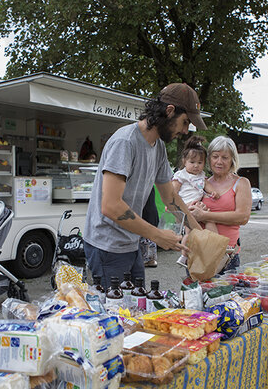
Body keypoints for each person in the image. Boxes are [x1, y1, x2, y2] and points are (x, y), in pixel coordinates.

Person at [84, 83, 205, 289]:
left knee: (136, 310)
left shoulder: (158, 147)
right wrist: (157, 235)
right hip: (107, 246)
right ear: (169, 111)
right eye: (185, 122)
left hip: (131, 244)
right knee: (115, 315)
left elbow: (170, 197)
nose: (185, 131)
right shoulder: (125, 142)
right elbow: (111, 205)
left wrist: (198, 232)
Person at [188, 136, 252, 271]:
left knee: (226, 291)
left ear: (232, 160)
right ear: (209, 158)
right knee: (195, 292)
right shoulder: (200, 183)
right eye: (215, 156)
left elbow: (242, 217)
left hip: (227, 255)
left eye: (225, 157)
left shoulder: (241, 183)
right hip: (200, 252)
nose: (219, 161)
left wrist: (205, 215)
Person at [172, 135, 219, 267]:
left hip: (197, 206)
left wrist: (212, 192)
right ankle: (183, 256)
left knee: (209, 219)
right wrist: (172, 205)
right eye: (192, 162)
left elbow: (206, 185)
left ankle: (214, 244)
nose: (196, 166)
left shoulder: (201, 176)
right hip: (186, 206)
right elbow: (173, 192)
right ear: (184, 161)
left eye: (200, 163)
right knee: (189, 232)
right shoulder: (181, 175)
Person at [139, 187, 159, 268]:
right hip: (147, 214)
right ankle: (148, 258)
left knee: (147, 237)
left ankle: (149, 259)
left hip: (146, 213)